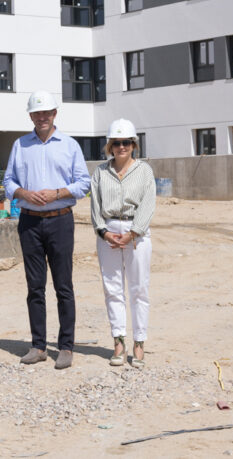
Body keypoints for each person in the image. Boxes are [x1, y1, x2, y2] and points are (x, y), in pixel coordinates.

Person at [3, 90, 91, 370]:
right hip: (29, 222)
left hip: (60, 221)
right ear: (31, 115)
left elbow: (84, 183)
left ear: (54, 114)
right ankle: (38, 346)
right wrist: (24, 194)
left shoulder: (70, 145)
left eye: (46, 112)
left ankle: (66, 347)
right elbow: (8, 181)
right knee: (35, 287)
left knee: (63, 286)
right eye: (37, 113)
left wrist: (57, 193)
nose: (42, 117)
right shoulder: (20, 145)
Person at [89, 118, 156, 369]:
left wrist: (134, 232)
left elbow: (148, 204)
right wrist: (103, 232)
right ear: (110, 146)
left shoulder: (144, 171)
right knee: (112, 289)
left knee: (139, 289)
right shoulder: (100, 172)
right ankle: (118, 342)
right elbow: (95, 205)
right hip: (108, 232)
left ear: (133, 144)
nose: (121, 147)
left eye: (126, 142)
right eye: (116, 143)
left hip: (135, 232)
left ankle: (139, 343)